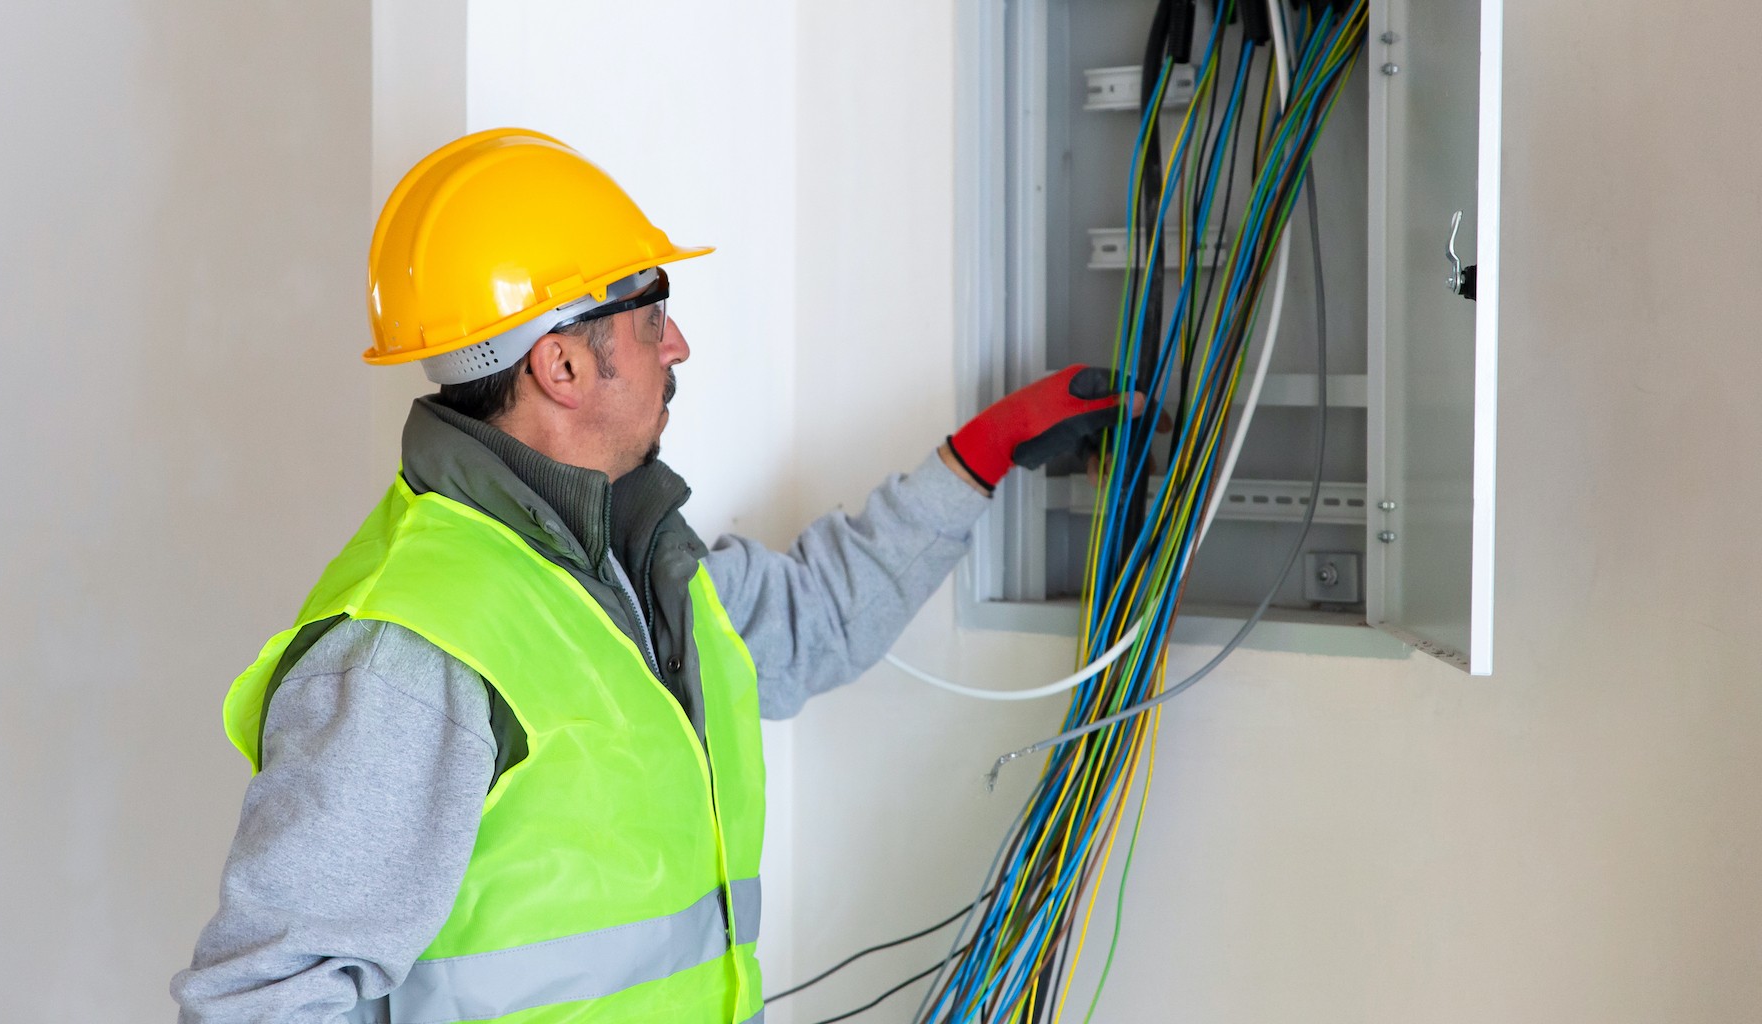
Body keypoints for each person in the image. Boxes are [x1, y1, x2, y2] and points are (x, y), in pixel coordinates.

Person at [172, 128, 1137, 1024]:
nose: (676, 345)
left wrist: (980, 456)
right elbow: (265, 1001)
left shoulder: (636, 561)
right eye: (651, 312)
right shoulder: (411, 648)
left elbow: (813, 625)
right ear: (561, 365)